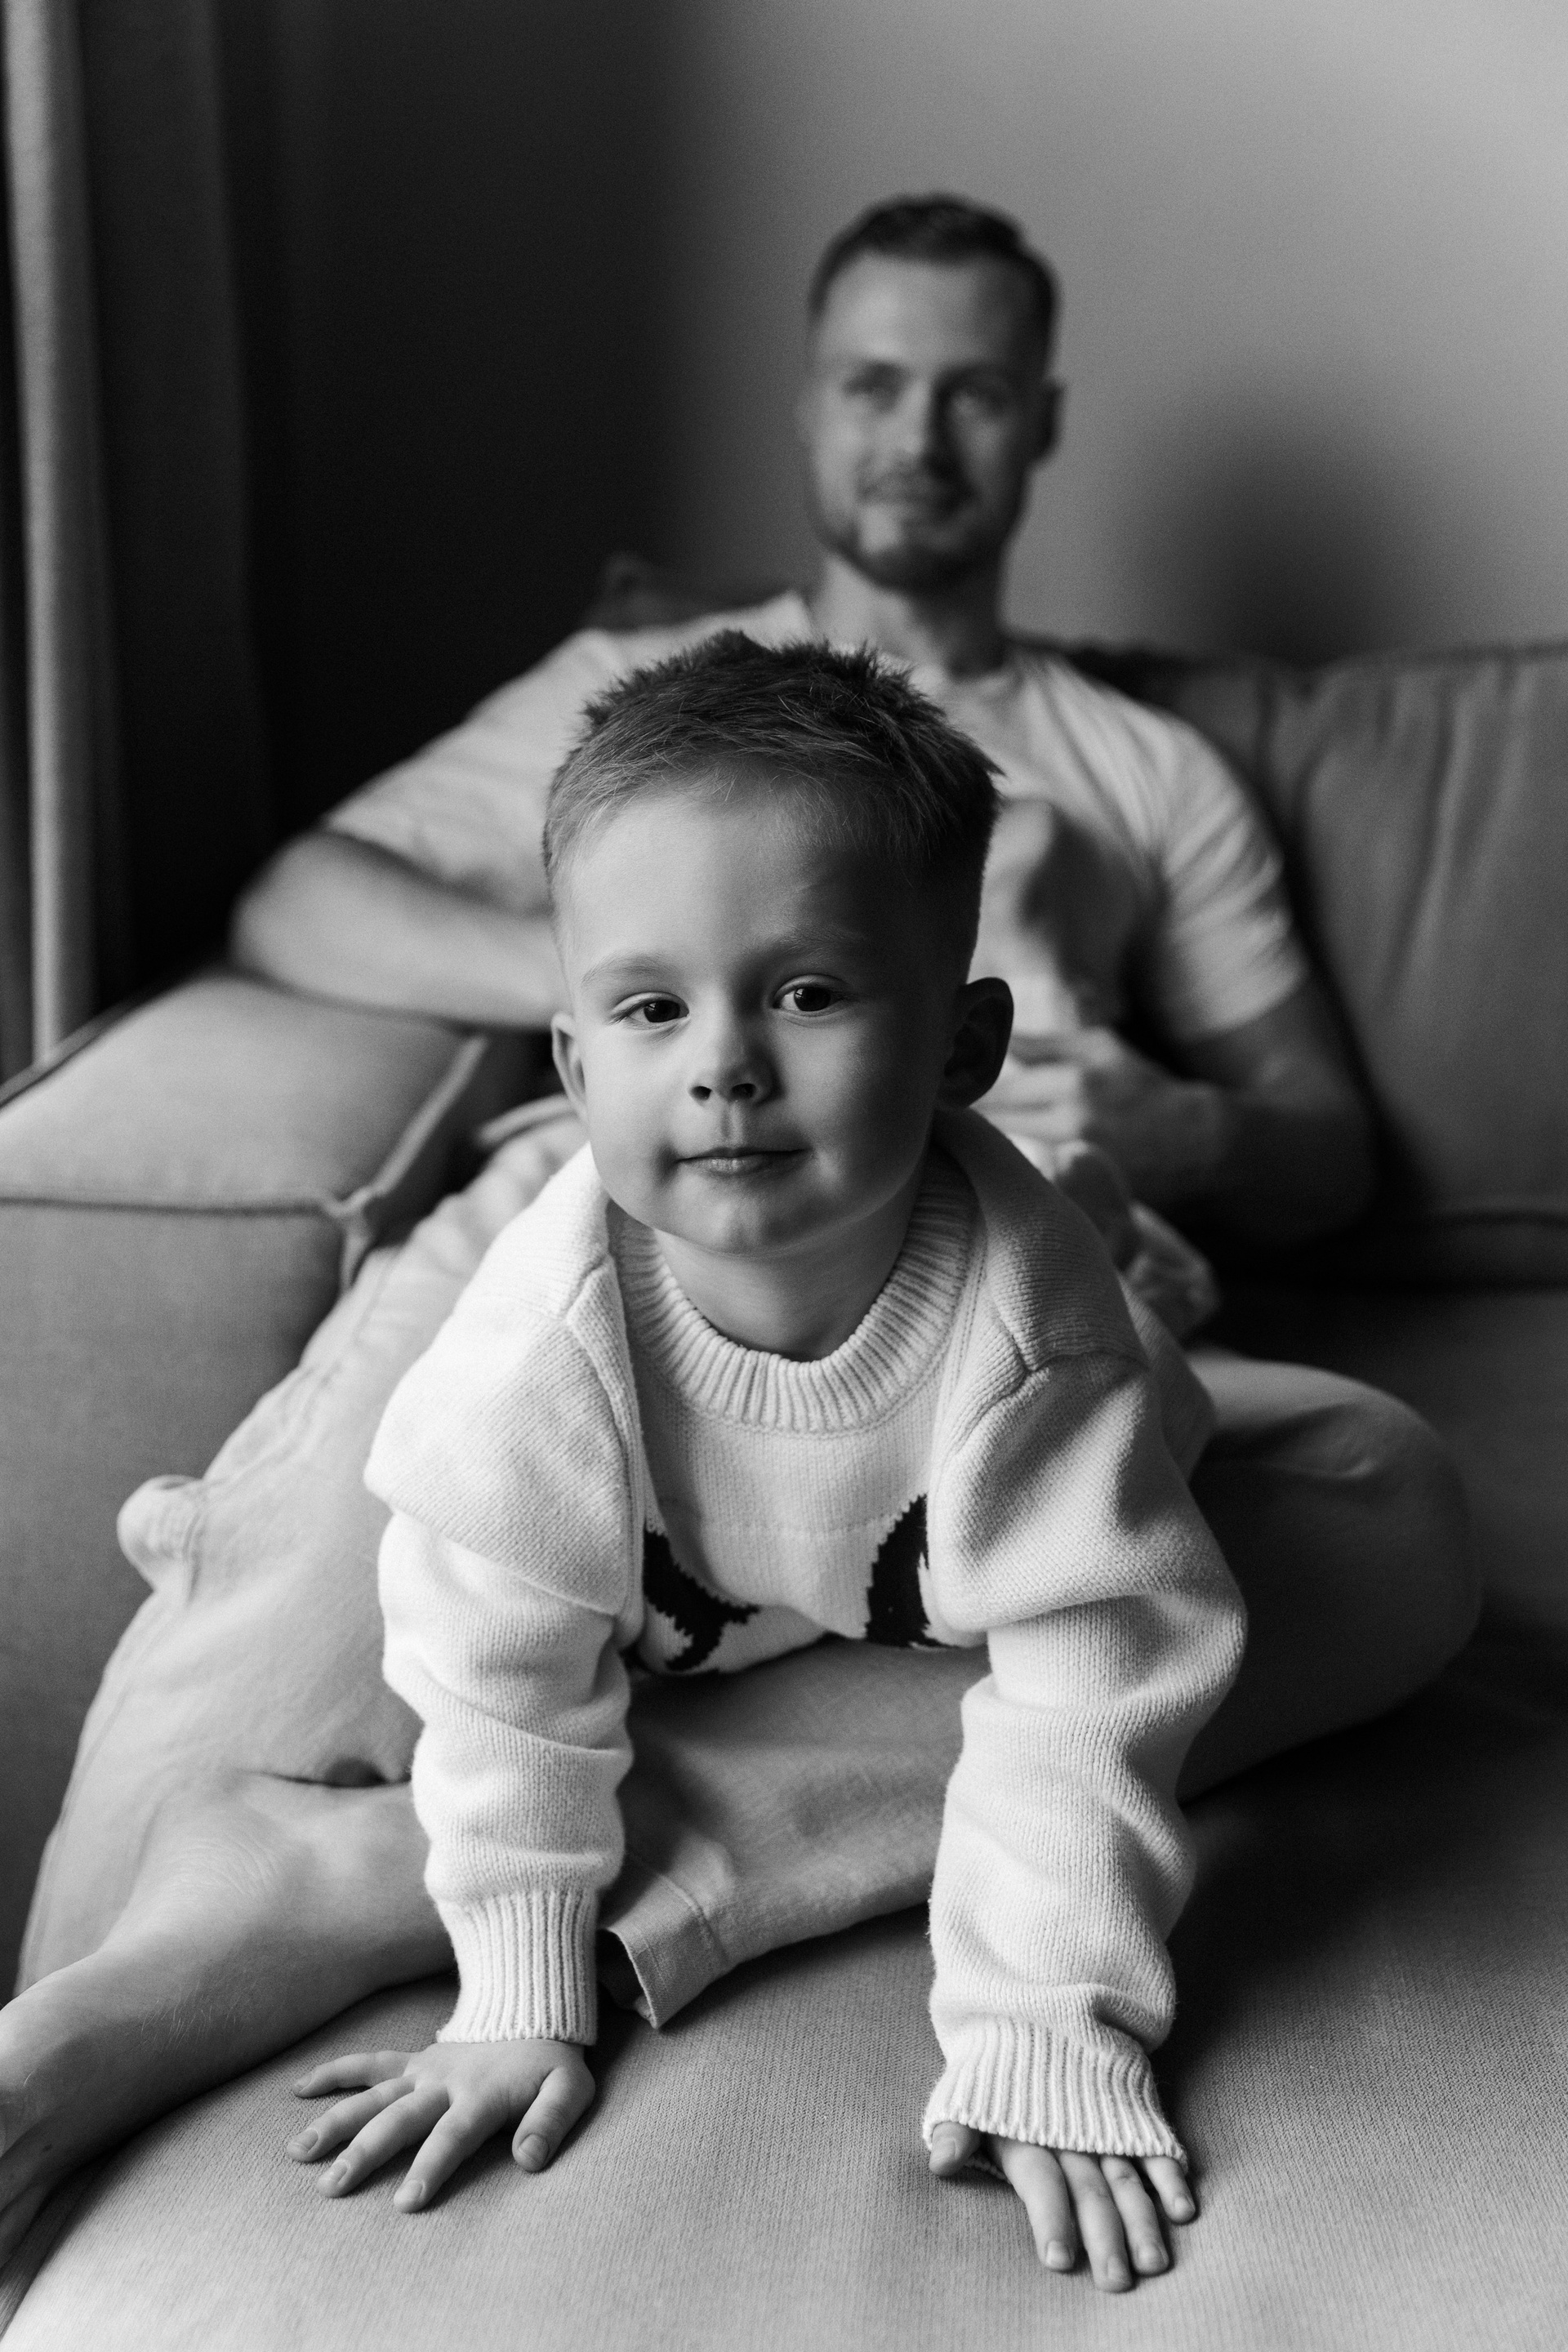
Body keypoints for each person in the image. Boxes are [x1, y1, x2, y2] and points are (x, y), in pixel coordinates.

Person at [0, 198, 1475, 2274]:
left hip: (1037, 1272)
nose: (919, 435)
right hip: (592, 1224)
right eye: (876, 382)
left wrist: (1179, 1118)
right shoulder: (648, 706)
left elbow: (1329, 1156)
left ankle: (376, 1882)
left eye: (971, 391)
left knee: (1389, 1513)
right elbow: (299, 906)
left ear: (1040, 422)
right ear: (809, 404)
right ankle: (63, 2045)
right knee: (309, 1605)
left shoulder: (1142, 771)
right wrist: (671, 982)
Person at [285, 635, 1248, 2286]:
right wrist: (518, 1992)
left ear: (962, 1045)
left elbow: (1092, 1688)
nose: (723, 1062)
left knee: (1366, 1507)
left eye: (807, 994)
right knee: (403, 1566)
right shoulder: (537, 1353)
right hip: (720, 1584)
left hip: (971, 1502)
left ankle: (1116, 1233)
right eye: (652, 1010)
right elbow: (498, 1678)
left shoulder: (1033, 1339)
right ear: (576, 1069)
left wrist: (1044, 2027)